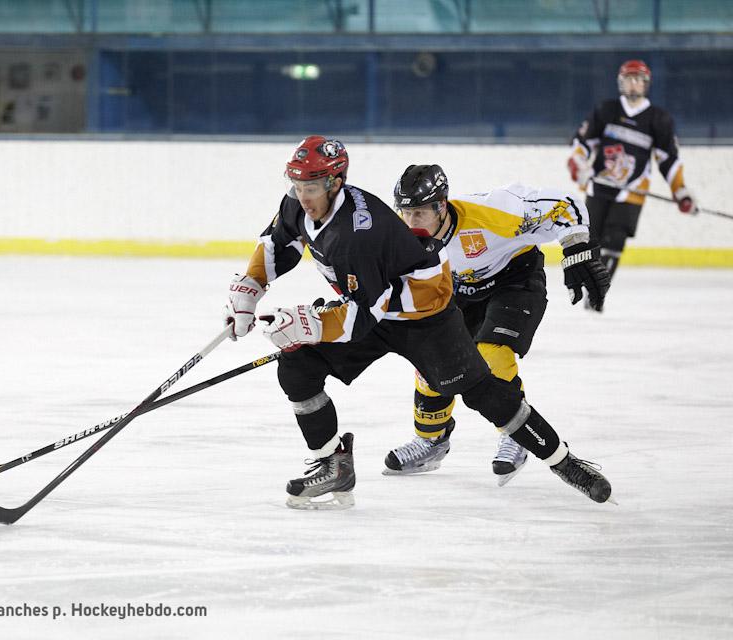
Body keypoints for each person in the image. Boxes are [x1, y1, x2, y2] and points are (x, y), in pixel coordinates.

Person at [222, 135, 613, 510]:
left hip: (426, 315)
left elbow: (361, 318)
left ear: (336, 182)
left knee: (484, 392)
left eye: (314, 186)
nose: (304, 196)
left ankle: (564, 462)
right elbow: (277, 241)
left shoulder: (360, 233)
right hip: (380, 304)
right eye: (298, 185)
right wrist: (251, 285)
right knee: (298, 367)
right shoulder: (299, 203)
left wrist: (309, 324)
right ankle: (333, 466)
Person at [385, 164, 611, 486]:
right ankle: (431, 440)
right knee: (430, 358)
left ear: (442, 205)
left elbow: (564, 205)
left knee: (492, 354)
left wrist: (577, 250)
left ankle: (516, 434)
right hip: (458, 288)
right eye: (405, 213)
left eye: (419, 213)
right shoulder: (402, 237)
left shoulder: (495, 211)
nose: (410, 223)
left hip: (515, 281)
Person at [567, 59, 696, 311]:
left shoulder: (659, 120)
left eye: (639, 79)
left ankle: (596, 294)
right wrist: (578, 166)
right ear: (620, 82)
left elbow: (668, 160)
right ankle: (588, 283)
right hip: (599, 187)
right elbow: (582, 143)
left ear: (646, 84)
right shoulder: (606, 110)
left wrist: (680, 190)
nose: (634, 84)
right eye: (629, 79)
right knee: (590, 241)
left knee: (615, 240)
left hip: (632, 191)